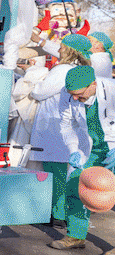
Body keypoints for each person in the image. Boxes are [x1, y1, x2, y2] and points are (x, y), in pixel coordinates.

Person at [29, 34, 92, 227]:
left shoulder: (63, 69)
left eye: (62, 47)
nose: (59, 49)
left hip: (53, 126)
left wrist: (32, 75)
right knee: (62, 171)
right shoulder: (79, 69)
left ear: (70, 50)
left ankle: (57, 213)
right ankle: (60, 211)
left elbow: (39, 92)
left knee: (55, 172)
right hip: (63, 126)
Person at [56, 65, 115, 255]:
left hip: (113, 147)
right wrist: (73, 149)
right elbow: (66, 125)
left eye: (79, 94)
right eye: (71, 93)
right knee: (75, 187)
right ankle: (76, 236)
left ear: (93, 85)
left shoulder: (112, 91)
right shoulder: (67, 95)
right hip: (89, 149)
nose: (74, 98)